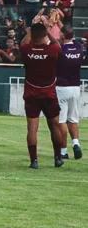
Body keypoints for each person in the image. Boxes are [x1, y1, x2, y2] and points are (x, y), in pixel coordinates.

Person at [20, 18, 63, 169]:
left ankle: (34, 161)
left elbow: (23, 44)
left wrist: (30, 30)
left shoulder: (27, 50)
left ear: (32, 34)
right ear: (44, 33)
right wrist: (49, 31)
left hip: (31, 93)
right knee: (54, 125)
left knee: (32, 128)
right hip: (49, 93)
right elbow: (58, 45)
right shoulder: (51, 50)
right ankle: (58, 157)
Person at [56, 25, 82, 160]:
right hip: (76, 88)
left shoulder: (60, 49)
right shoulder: (79, 47)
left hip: (62, 87)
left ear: (62, 36)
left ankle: (64, 151)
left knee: (61, 120)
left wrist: (50, 25)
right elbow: (68, 35)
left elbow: (54, 42)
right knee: (73, 119)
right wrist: (59, 22)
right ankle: (76, 143)